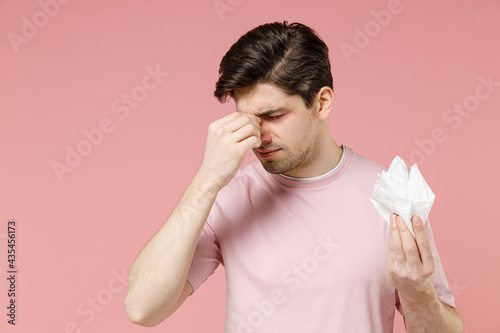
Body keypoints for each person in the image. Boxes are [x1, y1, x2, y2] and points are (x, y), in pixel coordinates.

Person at [124, 21, 463, 332]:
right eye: (246, 118)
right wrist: (206, 180)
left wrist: (417, 291)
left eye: (273, 115)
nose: (258, 135)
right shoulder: (228, 194)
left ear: (322, 103)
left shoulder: (392, 197)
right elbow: (143, 309)